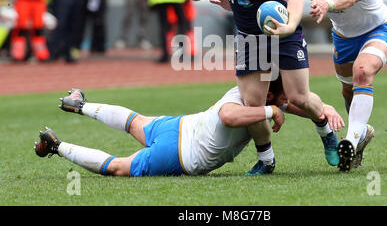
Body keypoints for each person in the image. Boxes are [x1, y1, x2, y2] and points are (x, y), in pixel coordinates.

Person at [185, 0, 328, 169]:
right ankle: (266, 160)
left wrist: (290, 26)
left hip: (282, 32)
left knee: (298, 97)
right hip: (250, 37)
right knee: (253, 104)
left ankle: (326, 132)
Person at [34, 79, 344, 177]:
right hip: (180, 153)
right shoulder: (253, 105)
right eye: (282, 98)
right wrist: (274, 109)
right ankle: (56, 146)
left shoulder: (253, 90)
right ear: (272, 95)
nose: (288, 100)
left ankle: (80, 104)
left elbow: (292, 104)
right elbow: (228, 117)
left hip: (180, 125)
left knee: (135, 122)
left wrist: (321, 109)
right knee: (118, 167)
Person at [283, 0, 387, 172]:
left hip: (379, 28)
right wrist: (237, 1)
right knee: (348, 91)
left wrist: (328, 3)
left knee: (362, 71)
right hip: (344, 37)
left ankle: (351, 139)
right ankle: (361, 134)